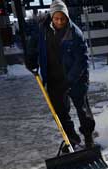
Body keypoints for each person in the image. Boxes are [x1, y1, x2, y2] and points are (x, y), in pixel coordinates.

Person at [26, 0, 96, 150]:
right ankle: (72, 139)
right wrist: (31, 61)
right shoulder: (42, 30)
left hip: (76, 77)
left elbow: (82, 60)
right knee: (60, 111)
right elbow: (32, 46)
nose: (59, 21)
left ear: (67, 17)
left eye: (62, 18)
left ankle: (88, 137)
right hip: (53, 77)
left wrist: (69, 80)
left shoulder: (75, 33)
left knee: (82, 109)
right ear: (51, 17)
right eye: (56, 18)